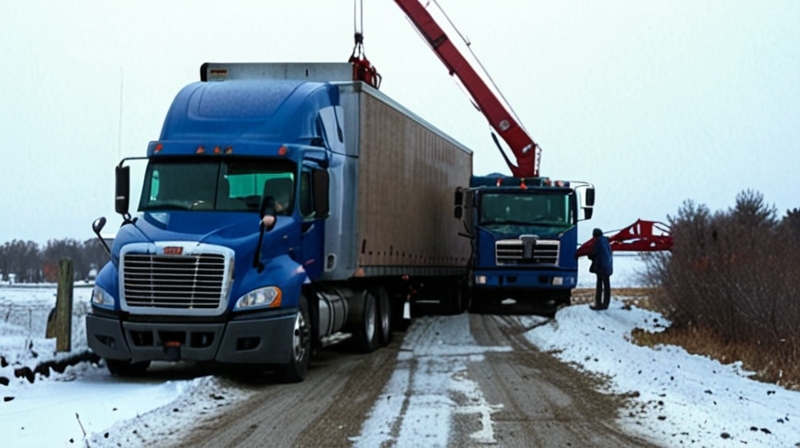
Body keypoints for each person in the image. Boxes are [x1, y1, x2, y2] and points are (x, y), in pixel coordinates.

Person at [588, 228, 613, 310]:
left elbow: (595, 253)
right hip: (608, 266)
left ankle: (598, 304)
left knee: (599, 285)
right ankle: (606, 303)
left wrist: (590, 255)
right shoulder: (606, 241)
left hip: (601, 267)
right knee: (606, 286)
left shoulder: (598, 242)